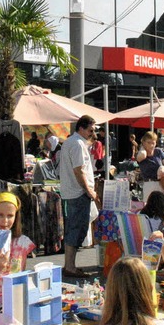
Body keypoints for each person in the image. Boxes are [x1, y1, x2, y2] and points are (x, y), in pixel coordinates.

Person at [60, 115, 100, 278]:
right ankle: (70, 266)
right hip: (78, 193)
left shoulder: (72, 142)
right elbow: (79, 171)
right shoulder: (77, 144)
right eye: (91, 130)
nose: (92, 133)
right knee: (77, 229)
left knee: (74, 228)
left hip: (73, 192)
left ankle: (69, 265)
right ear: (82, 128)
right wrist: (89, 190)